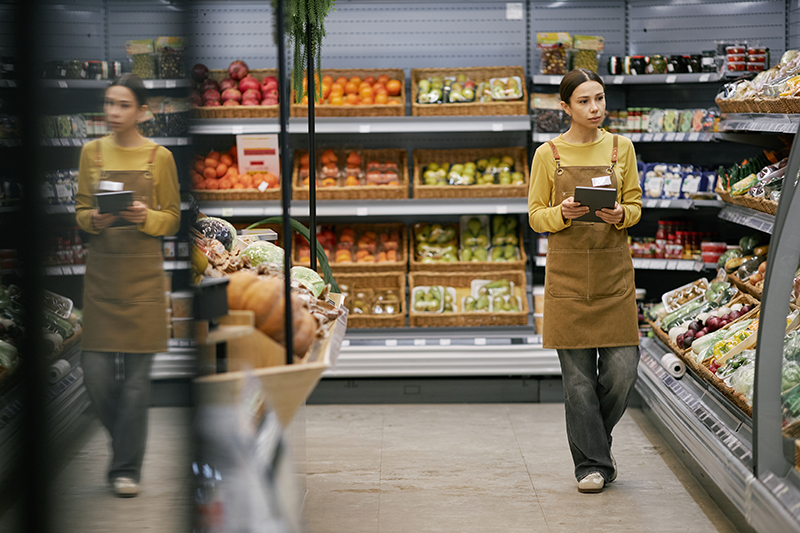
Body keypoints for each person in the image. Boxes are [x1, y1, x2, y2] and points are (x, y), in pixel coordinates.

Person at [528, 68, 642, 494]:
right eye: (584, 101)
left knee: (623, 369)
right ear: (565, 108)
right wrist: (562, 214)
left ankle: (596, 440)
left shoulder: (620, 148)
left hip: (613, 277)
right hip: (568, 278)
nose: (595, 108)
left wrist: (621, 215)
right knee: (577, 382)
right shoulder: (548, 155)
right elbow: (536, 215)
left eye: (600, 99)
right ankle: (591, 465)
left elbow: (635, 205)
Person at [75, 73, 180, 497]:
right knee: (95, 377)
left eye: (122, 105)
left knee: (136, 386)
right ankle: (125, 445)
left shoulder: (161, 158)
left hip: (144, 284)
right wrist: (93, 221)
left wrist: (146, 218)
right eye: (108, 103)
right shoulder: (91, 153)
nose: (112, 113)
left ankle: (126, 469)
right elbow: (81, 210)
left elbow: (172, 217)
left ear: (142, 111)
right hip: (101, 282)